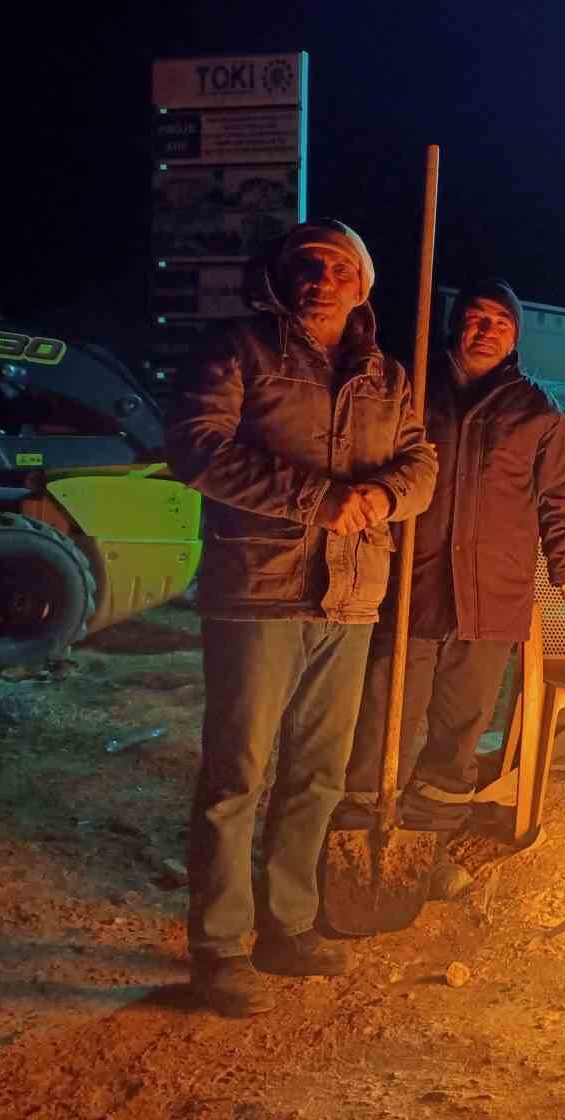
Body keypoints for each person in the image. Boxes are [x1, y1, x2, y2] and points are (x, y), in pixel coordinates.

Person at [167, 220, 438, 1017]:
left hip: (351, 597)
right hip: (257, 588)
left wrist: (383, 498)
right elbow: (195, 447)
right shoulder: (239, 350)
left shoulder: (386, 376)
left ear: (363, 285)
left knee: (317, 775)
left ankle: (287, 926)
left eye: (338, 266)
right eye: (307, 265)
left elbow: (420, 464)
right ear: (282, 277)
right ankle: (219, 950)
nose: (321, 277)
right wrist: (320, 500)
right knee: (235, 777)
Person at [335, 280, 565, 897]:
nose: (485, 329)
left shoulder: (534, 413)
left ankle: (427, 844)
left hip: (492, 599)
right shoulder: (411, 393)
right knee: (384, 719)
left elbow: (559, 504)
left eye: (499, 322)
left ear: (515, 337)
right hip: (412, 588)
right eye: (474, 318)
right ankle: (357, 839)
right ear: (454, 326)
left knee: (459, 729)